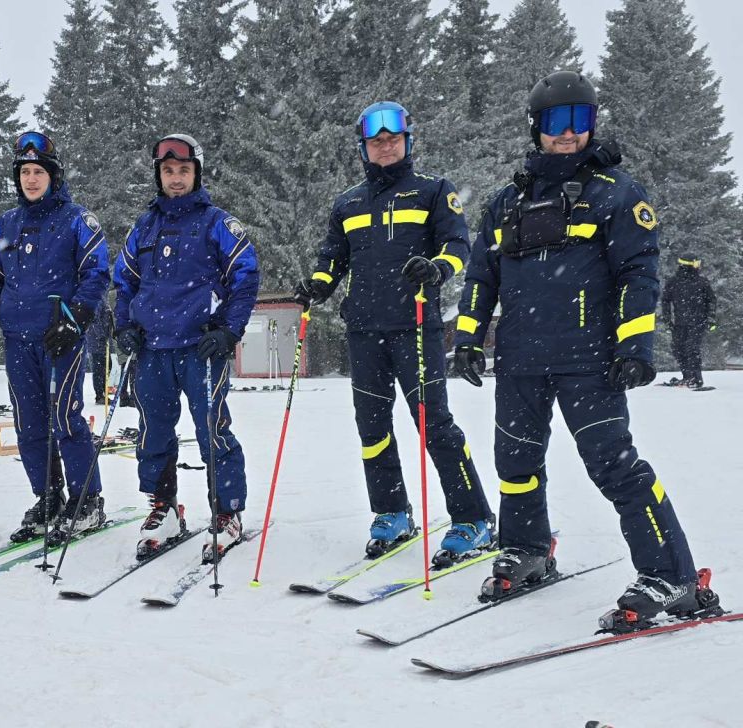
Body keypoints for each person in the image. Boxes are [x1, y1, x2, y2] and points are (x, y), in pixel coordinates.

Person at [453, 70, 708, 620]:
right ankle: (526, 550)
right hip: (520, 358)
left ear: (592, 125)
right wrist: (468, 339)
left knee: (614, 467)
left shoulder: (616, 194)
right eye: (555, 122)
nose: (567, 134)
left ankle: (672, 576)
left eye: (579, 121)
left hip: (590, 361)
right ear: (535, 128)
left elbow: (639, 273)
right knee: (514, 462)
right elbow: (481, 276)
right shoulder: (505, 202)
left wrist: (634, 346)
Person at [294, 101, 495, 560]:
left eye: (393, 139)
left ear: (407, 140)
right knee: (373, 429)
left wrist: (438, 268)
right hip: (364, 328)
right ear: (364, 148)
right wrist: (318, 285)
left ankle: (473, 517)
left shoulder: (434, 191)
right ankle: (392, 513)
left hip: (414, 327)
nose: (385, 147)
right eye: (375, 141)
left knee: (434, 426)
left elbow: (458, 244)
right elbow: (333, 257)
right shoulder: (347, 201)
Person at [114, 133, 260, 562]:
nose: (175, 179)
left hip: (202, 346)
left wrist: (229, 330)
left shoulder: (218, 223)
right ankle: (164, 509)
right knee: (153, 431)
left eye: (183, 170)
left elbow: (246, 277)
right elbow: (124, 282)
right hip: (153, 348)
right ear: (158, 176)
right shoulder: (145, 226)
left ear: (196, 172)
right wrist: (125, 326)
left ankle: (227, 512)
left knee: (212, 429)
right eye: (167, 171)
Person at [0, 131, 110, 545]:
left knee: (66, 419)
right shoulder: (7, 223)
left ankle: (86, 500)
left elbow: (96, 273)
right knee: (29, 424)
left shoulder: (76, 220)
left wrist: (76, 317)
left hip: (60, 337)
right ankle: (48, 496)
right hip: (18, 338)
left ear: (53, 176)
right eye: (25, 172)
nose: (31, 180)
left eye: (39, 172)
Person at [661, 254, 717, 389]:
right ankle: (687, 376)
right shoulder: (673, 282)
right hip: (680, 323)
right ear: (688, 265)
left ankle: (696, 379)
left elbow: (711, 300)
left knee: (692, 349)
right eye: (697, 263)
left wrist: (711, 318)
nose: (699, 266)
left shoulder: (702, 282)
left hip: (698, 322)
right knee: (678, 349)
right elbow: (665, 300)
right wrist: (667, 318)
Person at [85, 299, 114, 405]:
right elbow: (94, 320)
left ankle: (103, 390)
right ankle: (99, 395)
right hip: (97, 341)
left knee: (107, 366)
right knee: (99, 369)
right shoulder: (98, 301)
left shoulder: (104, 300)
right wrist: (102, 335)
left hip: (104, 341)